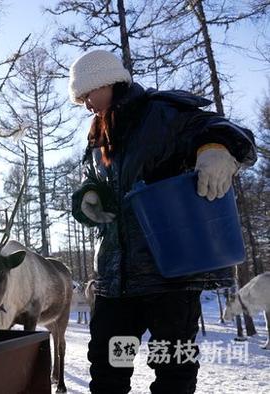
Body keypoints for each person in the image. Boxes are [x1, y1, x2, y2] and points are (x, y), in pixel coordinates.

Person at [68, 50, 257, 394]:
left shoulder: (160, 113)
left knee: (172, 366)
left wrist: (216, 148)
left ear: (108, 82)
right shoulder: (98, 137)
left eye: (88, 94)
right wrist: (86, 198)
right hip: (116, 279)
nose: (86, 104)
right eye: (80, 98)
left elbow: (224, 129)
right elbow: (90, 181)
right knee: (110, 365)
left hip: (168, 275)